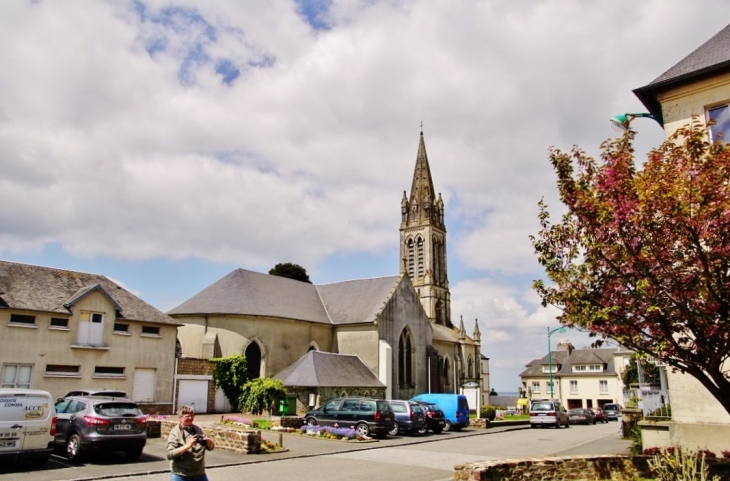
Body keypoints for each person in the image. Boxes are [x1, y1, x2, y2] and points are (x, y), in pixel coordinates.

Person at [166, 405, 215, 481]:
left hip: (199, 475)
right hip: (181, 476)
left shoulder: (197, 429)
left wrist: (209, 441)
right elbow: (170, 454)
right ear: (180, 417)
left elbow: (211, 447)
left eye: (192, 416)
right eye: (187, 416)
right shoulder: (175, 433)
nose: (190, 418)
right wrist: (189, 445)